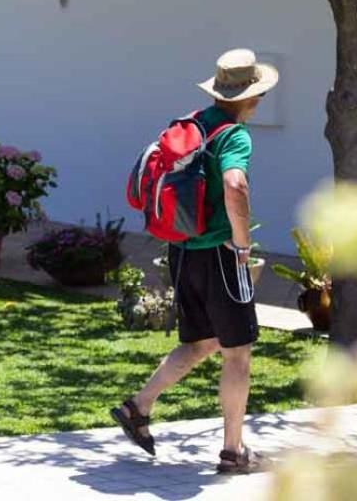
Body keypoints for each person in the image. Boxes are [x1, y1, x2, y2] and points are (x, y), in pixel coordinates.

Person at [110, 48, 278, 475]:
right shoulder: (234, 135)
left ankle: (138, 408)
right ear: (248, 96)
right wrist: (241, 244)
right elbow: (234, 185)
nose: (259, 101)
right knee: (238, 353)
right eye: (257, 94)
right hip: (221, 255)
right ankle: (233, 452)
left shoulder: (193, 122)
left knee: (201, 341)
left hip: (182, 249)